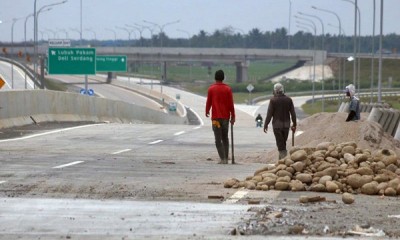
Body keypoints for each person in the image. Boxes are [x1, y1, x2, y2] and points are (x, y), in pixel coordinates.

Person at [205, 69, 235, 164]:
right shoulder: (228, 89)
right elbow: (231, 104)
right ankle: (226, 157)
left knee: (218, 139)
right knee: (225, 138)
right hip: (226, 118)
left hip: (215, 119)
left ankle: (222, 159)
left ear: (215, 78)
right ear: (223, 78)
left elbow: (209, 102)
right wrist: (233, 116)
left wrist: (207, 111)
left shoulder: (211, 89)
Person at [263, 83, 297, 160]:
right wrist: (294, 123)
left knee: (281, 145)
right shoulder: (289, 100)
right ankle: (281, 162)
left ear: (275, 91)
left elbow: (269, 114)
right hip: (286, 125)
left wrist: (266, 124)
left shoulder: (273, 100)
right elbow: (293, 113)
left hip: (277, 125)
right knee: (282, 143)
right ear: (283, 90)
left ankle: (284, 161)